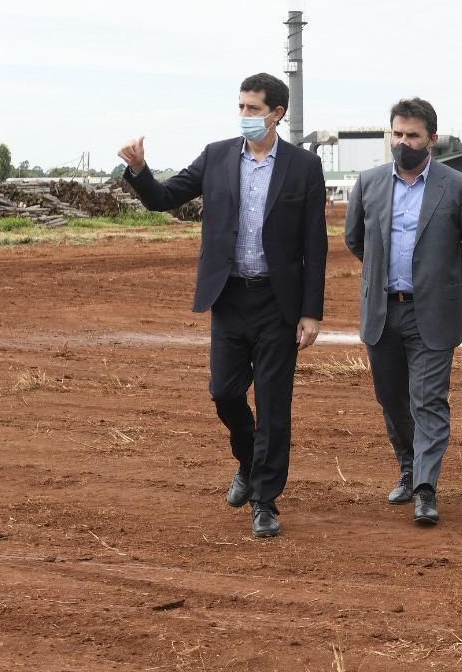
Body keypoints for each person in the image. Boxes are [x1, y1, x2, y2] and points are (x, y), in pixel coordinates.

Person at [117, 72, 327, 539]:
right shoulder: (216, 157)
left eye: (253, 109)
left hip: (279, 303)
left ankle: (265, 501)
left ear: (277, 114)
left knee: (274, 405)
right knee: (224, 392)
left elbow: (316, 243)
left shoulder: (302, 167)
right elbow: (164, 197)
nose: (245, 116)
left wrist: (311, 312)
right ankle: (249, 462)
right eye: (241, 107)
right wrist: (139, 171)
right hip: (229, 297)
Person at [344, 98, 462, 525]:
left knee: (428, 400)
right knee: (392, 399)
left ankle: (426, 488)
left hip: (432, 313)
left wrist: (440, 282)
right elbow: (357, 241)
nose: (403, 142)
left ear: (432, 140)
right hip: (383, 311)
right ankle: (407, 468)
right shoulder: (368, 183)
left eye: (413, 136)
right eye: (398, 134)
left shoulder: (457, 186)